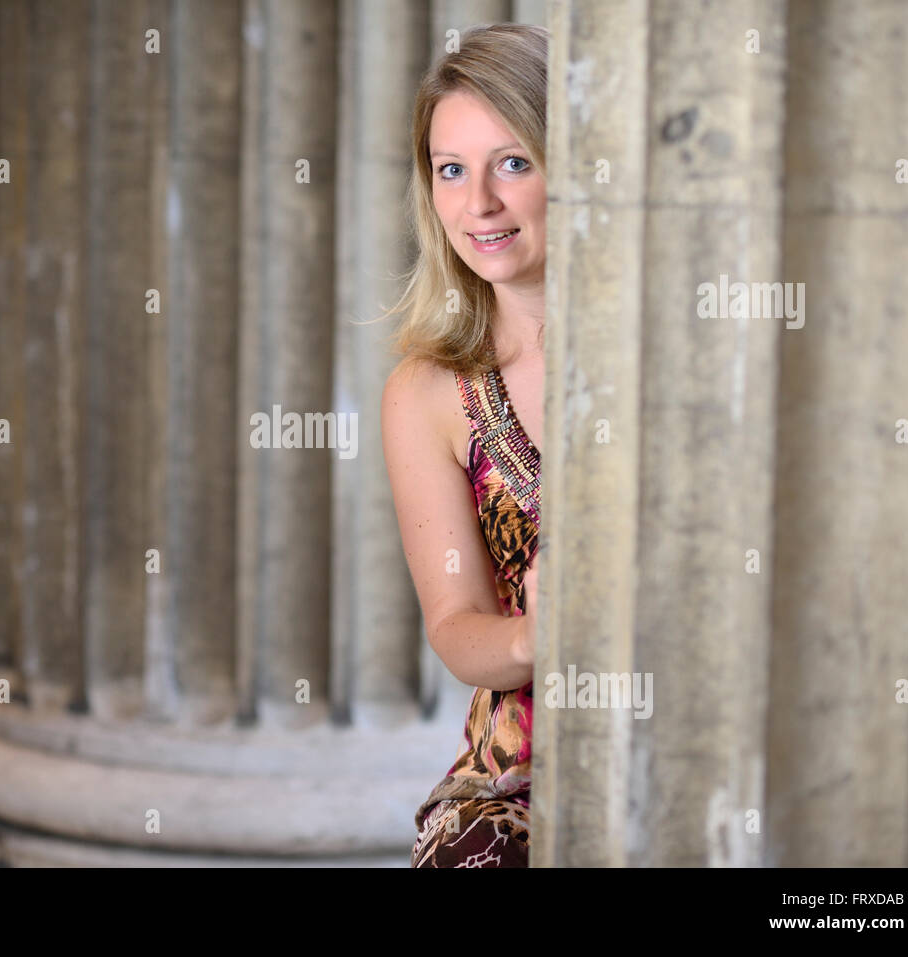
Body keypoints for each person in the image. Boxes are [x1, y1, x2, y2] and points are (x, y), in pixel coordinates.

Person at [380, 23, 548, 868]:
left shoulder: (674, 360)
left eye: (513, 162)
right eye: (452, 169)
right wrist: (536, 635)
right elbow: (455, 626)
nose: (477, 202)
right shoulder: (429, 391)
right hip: (519, 781)